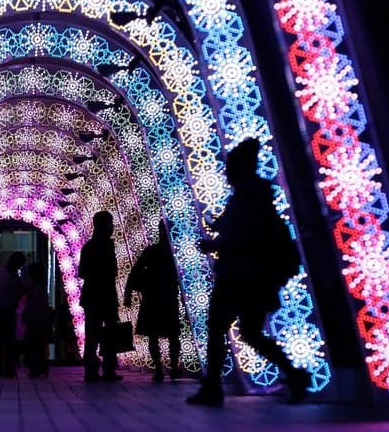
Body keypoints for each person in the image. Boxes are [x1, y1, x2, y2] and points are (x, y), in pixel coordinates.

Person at [188, 138, 311, 406]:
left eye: (229, 167)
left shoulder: (247, 198)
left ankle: (212, 389)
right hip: (254, 276)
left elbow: (240, 237)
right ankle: (295, 375)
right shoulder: (254, 195)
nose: (226, 173)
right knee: (251, 332)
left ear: (239, 169)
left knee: (217, 327)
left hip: (239, 275)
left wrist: (212, 245)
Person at [124, 220, 182, 382]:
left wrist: (129, 293)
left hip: (157, 296)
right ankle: (167, 368)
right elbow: (136, 271)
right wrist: (128, 293)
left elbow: (135, 271)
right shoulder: (171, 252)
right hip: (163, 296)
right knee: (166, 335)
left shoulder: (156, 251)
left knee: (159, 335)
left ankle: (163, 369)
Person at [78, 211, 123, 382]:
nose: (112, 228)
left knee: (93, 334)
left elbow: (82, 272)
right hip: (103, 295)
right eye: (110, 224)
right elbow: (110, 272)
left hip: (92, 296)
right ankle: (106, 370)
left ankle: (92, 370)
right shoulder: (104, 246)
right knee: (106, 333)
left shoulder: (90, 246)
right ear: (102, 225)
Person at [0, 252, 26, 377]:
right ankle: (7, 367)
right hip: (7, 311)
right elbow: (19, 293)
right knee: (8, 340)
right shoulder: (13, 278)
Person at [22, 262, 53, 378]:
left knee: (34, 344)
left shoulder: (34, 287)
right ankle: (40, 367)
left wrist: (27, 313)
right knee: (38, 344)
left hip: (35, 320)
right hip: (40, 320)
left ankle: (37, 367)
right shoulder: (40, 287)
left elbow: (32, 304)